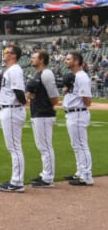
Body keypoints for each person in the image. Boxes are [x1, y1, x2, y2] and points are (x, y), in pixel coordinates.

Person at [0, 45, 27, 193]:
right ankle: (16, 180)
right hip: (8, 110)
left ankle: (17, 182)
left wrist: (23, 103)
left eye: (6, 52)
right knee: (13, 147)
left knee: (14, 147)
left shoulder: (15, 70)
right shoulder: (10, 70)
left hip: (12, 110)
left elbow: (19, 92)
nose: (4, 53)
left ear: (13, 55)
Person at [26, 50, 59, 188]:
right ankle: (46, 174)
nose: (31, 59)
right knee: (42, 146)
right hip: (38, 114)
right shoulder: (38, 74)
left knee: (45, 146)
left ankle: (48, 178)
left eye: (34, 57)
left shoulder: (46, 73)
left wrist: (43, 104)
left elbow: (55, 98)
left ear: (42, 60)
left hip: (44, 114)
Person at [63, 51, 94, 186]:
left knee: (81, 145)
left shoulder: (81, 77)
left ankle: (87, 176)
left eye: (68, 59)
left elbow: (87, 100)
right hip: (72, 113)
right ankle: (80, 172)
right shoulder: (75, 76)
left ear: (76, 61)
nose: (66, 61)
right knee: (76, 145)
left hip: (78, 113)